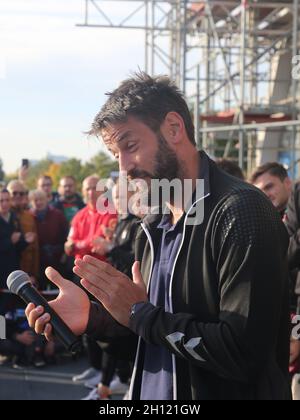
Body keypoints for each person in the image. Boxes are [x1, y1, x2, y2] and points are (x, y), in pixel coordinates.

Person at [26, 73, 291, 400]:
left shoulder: (243, 212)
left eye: (130, 145)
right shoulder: (152, 226)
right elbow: (153, 343)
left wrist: (139, 314)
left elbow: (243, 354)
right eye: (115, 154)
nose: (124, 168)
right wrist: (95, 320)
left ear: (174, 128)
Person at [64, 175, 117, 264]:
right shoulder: (79, 215)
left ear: (103, 190)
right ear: (82, 192)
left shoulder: (112, 212)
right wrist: (74, 246)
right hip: (81, 268)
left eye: (95, 188)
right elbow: (69, 246)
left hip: (103, 269)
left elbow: (97, 242)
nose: (91, 192)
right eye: (87, 189)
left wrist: (77, 245)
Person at [29, 190, 69, 290]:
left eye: (41, 199)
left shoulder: (57, 214)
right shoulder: (29, 217)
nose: (38, 202)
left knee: (58, 288)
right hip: (38, 261)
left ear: (47, 199)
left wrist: (60, 250)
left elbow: (66, 235)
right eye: (35, 200)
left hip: (57, 258)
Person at [7, 180, 39, 285]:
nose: (18, 196)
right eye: (14, 193)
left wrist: (34, 274)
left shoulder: (29, 217)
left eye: (21, 193)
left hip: (26, 274)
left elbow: (35, 248)